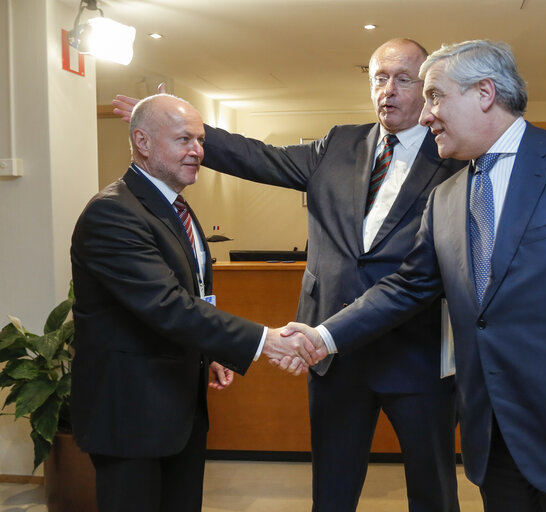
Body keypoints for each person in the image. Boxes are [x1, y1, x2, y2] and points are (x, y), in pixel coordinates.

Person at [285, 40, 546, 512]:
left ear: (484, 92)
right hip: (494, 436)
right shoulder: (444, 199)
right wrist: (324, 336)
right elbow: (406, 287)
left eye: (435, 96)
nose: (425, 115)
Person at [113, 38, 465, 512]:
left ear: (425, 88)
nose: (390, 90)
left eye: (404, 79)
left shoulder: (454, 159)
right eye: (380, 78)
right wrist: (174, 126)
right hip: (332, 357)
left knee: (434, 489)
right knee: (333, 490)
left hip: (414, 353)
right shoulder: (339, 144)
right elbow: (261, 158)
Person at [70, 93, 322, 512]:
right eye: (184, 139)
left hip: (178, 410)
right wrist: (267, 340)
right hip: (131, 416)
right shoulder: (113, 213)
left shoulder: (174, 208)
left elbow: (193, 295)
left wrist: (210, 351)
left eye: (201, 140)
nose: (198, 152)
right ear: (143, 142)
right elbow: (167, 305)